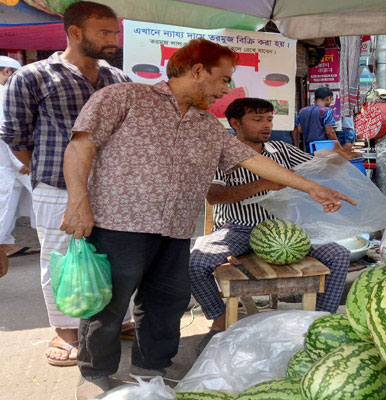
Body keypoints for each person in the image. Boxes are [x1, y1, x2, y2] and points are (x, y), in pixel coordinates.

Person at [61, 38, 354, 399]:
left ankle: (150, 369)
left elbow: (256, 163)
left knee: (166, 301)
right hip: (119, 222)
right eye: (223, 79)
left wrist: (311, 187)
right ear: (197, 70)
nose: (225, 89)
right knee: (109, 304)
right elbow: (81, 145)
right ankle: (95, 374)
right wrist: (78, 202)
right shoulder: (123, 98)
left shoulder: (209, 126)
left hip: (175, 228)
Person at [0, 1, 134, 367]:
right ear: (75, 33)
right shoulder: (33, 76)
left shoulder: (118, 79)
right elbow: (16, 136)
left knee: (114, 257)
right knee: (61, 260)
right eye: (104, 32)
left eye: (114, 32)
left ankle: (118, 320)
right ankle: (65, 330)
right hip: (57, 190)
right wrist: (49, 173)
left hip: (113, 190)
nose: (113, 40)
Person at [189, 98, 353, 354]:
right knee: (197, 262)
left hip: (286, 230)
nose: (266, 125)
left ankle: (319, 323)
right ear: (235, 123)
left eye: (269, 119)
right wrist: (264, 183)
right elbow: (214, 196)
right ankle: (219, 321)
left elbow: (316, 169)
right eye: (257, 119)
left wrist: (338, 158)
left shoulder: (281, 150)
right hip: (238, 229)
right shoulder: (221, 155)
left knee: (338, 254)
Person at [0, 56, 39, 259]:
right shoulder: (4, 93)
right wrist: (23, 162)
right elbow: (7, 132)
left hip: (10, 162)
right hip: (13, 161)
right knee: (45, 196)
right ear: (7, 71)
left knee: (8, 203)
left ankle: (5, 243)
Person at [293, 86, 337, 152]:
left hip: (309, 147)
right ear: (328, 98)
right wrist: (337, 146)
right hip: (323, 148)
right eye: (331, 99)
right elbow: (329, 132)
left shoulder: (302, 111)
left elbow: (299, 130)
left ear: (315, 99)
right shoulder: (327, 111)